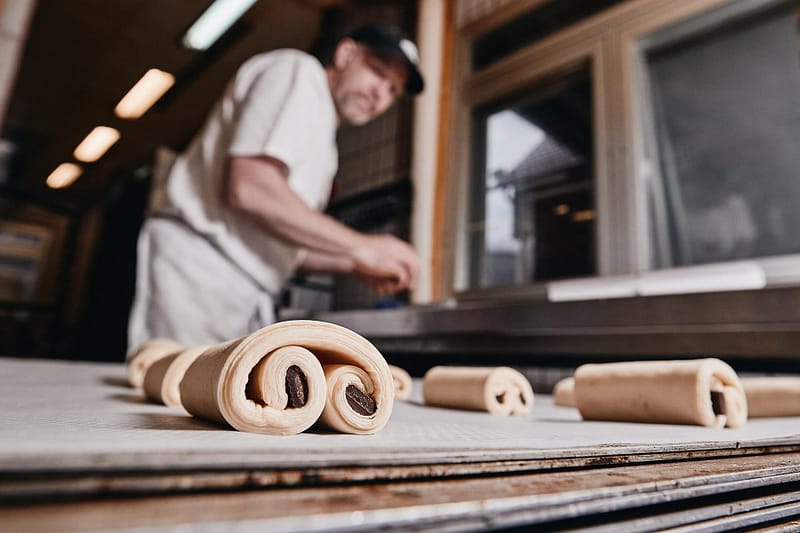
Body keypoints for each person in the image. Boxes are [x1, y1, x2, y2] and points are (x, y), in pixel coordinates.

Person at [127, 24, 425, 354]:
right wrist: (360, 246)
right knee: (173, 394)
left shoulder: (327, 147)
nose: (379, 93)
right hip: (201, 271)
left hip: (245, 289)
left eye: (393, 91)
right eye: (377, 71)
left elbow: (284, 236)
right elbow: (250, 188)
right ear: (346, 54)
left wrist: (353, 262)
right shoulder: (298, 74)